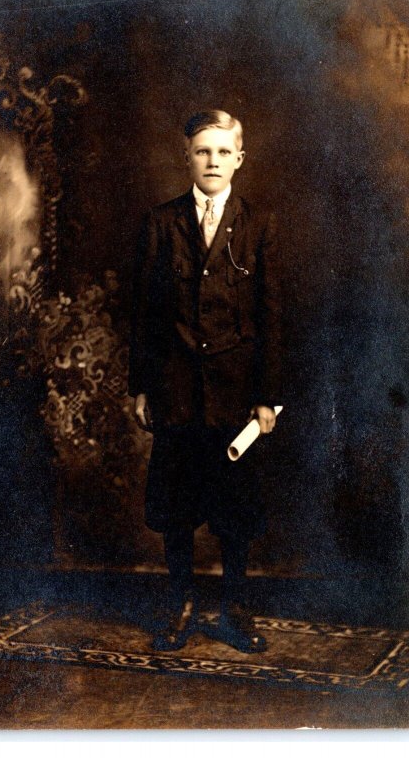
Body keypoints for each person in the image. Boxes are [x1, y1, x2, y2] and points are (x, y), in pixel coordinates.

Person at [129, 110, 282, 653]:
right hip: (175, 390)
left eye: (222, 152)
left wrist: (267, 397)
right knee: (176, 505)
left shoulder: (259, 225)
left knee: (235, 507)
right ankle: (182, 604)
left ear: (239, 158)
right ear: (186, 157)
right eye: (201, 151)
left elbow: (270, 317)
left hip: (236, 394)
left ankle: (235, 608)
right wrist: (142, 387)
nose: (212, 161)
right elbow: (145, 314)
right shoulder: (160, 222)